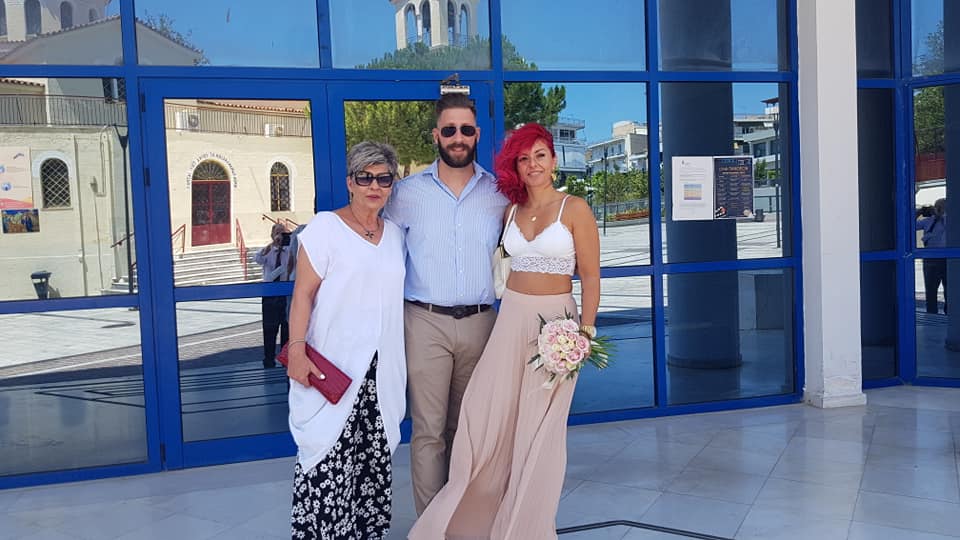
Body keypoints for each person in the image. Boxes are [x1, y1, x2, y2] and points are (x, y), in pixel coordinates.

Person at [409, 122, 601, 540]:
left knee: (539, 429)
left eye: (540, 155)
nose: (533, 165)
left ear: (554, 160)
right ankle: (469, 519)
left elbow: (590, 276)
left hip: (556, 328)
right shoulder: (510, 210)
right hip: (509, 321)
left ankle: (526, 527)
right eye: (523, 158)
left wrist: (584, 334)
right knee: (485, 415)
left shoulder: (575, 209)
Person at [383, 93, 509, 515]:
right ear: (436, 135)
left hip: (481, 323)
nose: (458, 137)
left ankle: (461, 519)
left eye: (466, 130)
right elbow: (378, 249)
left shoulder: (498, 193)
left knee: (468, 428)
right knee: (429, 432)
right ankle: (430, 527)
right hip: (425, 322)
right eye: (450, 130)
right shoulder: (406, 194)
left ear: (477, 135)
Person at [285, 141, 407, 539]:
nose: (374, 186)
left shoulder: (395, 236)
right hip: (333, 368)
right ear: (350, 182)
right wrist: (297, 349)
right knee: (327, 462)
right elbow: (302, 294)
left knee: (372, 466)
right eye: (365, 177)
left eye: (383, 179)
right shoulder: (325, 229)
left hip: (380, 373)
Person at [254, 222, 291, 368]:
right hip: (270, 294)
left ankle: (285, 358)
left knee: (286, 327)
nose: (280, 236)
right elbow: (257, 259)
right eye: (277, 232)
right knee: (270, 328)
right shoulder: (268, 250)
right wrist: (272, 245)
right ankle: (269, 359)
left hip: (285, 293)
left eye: (283, 233)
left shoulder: (290, 251)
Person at [917, 197, 947, 314]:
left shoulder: (951, 220)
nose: (938, 209)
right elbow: (909, 226)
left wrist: (942, 216)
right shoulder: (928, 221)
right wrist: (919, 212)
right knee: (930, 292)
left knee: (950, 291)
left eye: (941, 207)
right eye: (936, 207)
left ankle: (950, 316)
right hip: (930, 259)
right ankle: (931, 314)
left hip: (948, 259)